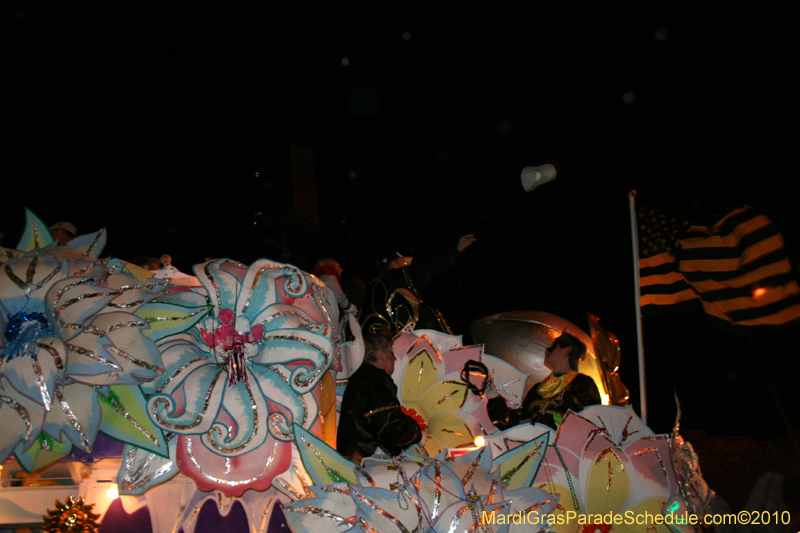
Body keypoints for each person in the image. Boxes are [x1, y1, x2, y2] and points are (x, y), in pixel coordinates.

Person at [360, 234, 476, 336]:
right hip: (412, 337)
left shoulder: (373, 287)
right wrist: (456, 250)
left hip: (386, 341)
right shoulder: (402, 276)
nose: (406, 265)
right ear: (394, 264)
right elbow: (431, 267)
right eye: (403, 262)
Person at [336, 334, 423, 462]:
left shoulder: (362, 379)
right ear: (381, 354)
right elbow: (389, 425)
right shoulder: (373, 380)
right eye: (391, 353)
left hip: (357, 462)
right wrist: (417, 434)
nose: (394, 359)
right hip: (369, 465)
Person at [489, 332, 601, 430]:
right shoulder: (537, 388)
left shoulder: (583, 383)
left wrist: (531, 423)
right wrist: (493, 396)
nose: (546, 351)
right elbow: (515, 420)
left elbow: (572, 419)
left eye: (553, 347)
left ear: (567, 350)